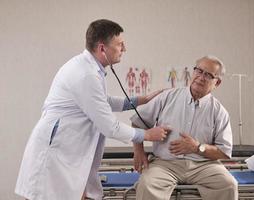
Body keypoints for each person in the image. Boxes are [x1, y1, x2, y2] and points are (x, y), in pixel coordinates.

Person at [15, 19, 171, 200]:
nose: (124, 49)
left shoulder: (88, 68)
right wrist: (147, 135)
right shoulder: (85, 74)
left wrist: (139, 100)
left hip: (67, 151)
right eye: (120, 44)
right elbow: (109, 127)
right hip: (56, 152)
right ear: (102, 48)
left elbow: (102, 101)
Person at [131, 56, 238, 200]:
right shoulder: (167, 97)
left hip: (204, 166)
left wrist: (197, 147)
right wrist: (138, 151)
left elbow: (224, 152)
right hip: (165, 164)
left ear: (217, 82)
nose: (201, 77)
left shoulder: (219, 111)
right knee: (147, 184)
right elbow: (138, 122)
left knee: (229, 184)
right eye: (199, 71)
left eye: (208, 75)